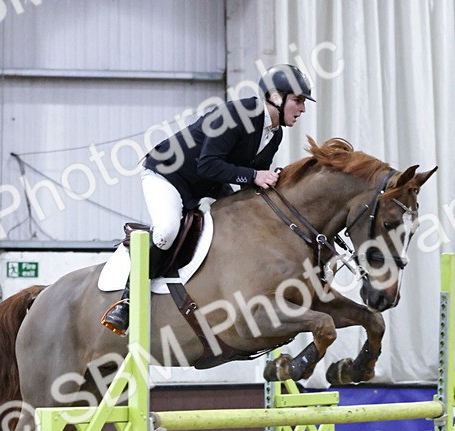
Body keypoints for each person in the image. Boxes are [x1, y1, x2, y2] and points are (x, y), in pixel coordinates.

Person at [101, 64, 314, 334]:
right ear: (275, 96)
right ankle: (128, 302)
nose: (303, 109)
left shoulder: (274, 134)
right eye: (298, 100)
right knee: (167, 230)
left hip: (206, 185)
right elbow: (209, 165)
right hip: (168, 175)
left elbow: (247, 183)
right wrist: (254, 175)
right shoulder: (236, 114)